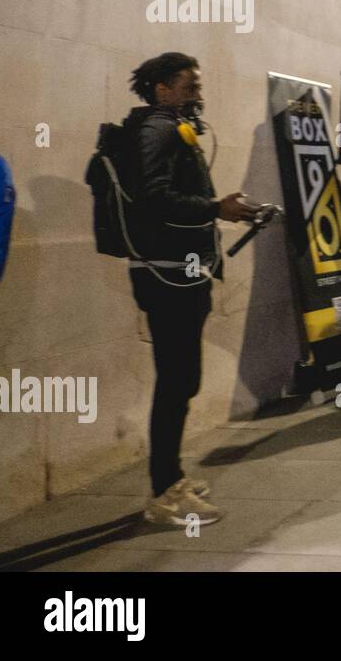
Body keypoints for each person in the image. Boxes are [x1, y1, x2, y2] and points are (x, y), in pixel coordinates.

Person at [124, 53, 258, 527]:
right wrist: (215, 207)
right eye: (188, 85)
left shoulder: (171, 127)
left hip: (182, 271)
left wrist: (221, 209)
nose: (198, 93)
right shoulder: (157, 130)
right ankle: (163, 494)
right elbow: (154, 198)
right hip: (166, 275)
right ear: (162, 89)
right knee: (176, 381)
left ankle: (172, 477)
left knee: (182, 380)